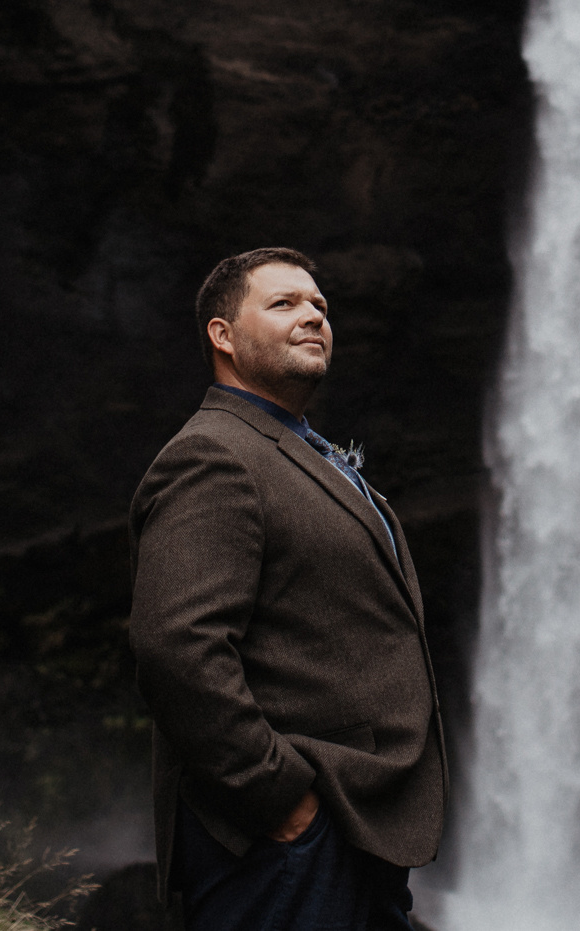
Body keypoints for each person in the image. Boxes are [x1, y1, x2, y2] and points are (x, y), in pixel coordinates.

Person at [129, 247, 448, 931]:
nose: (312, 315)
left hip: (360, 833)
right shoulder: (213, 452)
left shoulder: (306, 453)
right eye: (284, 303)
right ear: (223, 336)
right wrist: (281, 798)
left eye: (320, 307)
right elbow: (176, 644)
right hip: (289, 840)